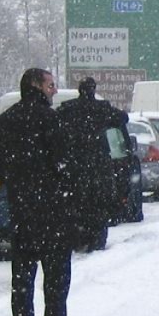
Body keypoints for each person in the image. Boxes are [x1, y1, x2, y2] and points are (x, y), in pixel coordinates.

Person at [0, 68, 74, 316]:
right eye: (50, 85)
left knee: (22, 279)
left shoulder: (5, 121)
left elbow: (1, 164)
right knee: (56, 279)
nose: (54, 90)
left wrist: (19, 184)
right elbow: (63, 162)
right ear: (36, 85)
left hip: (21, 211)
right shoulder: (51, 120)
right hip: (52, 211)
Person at [57, 77, 128, 252]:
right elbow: (122, 118)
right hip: (98, 165)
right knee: (99, 204)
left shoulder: (68, 109)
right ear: (93, 90)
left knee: (75, 203)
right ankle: (96, 239)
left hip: (74, 165)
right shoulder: (102, 109)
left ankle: (77, 236)